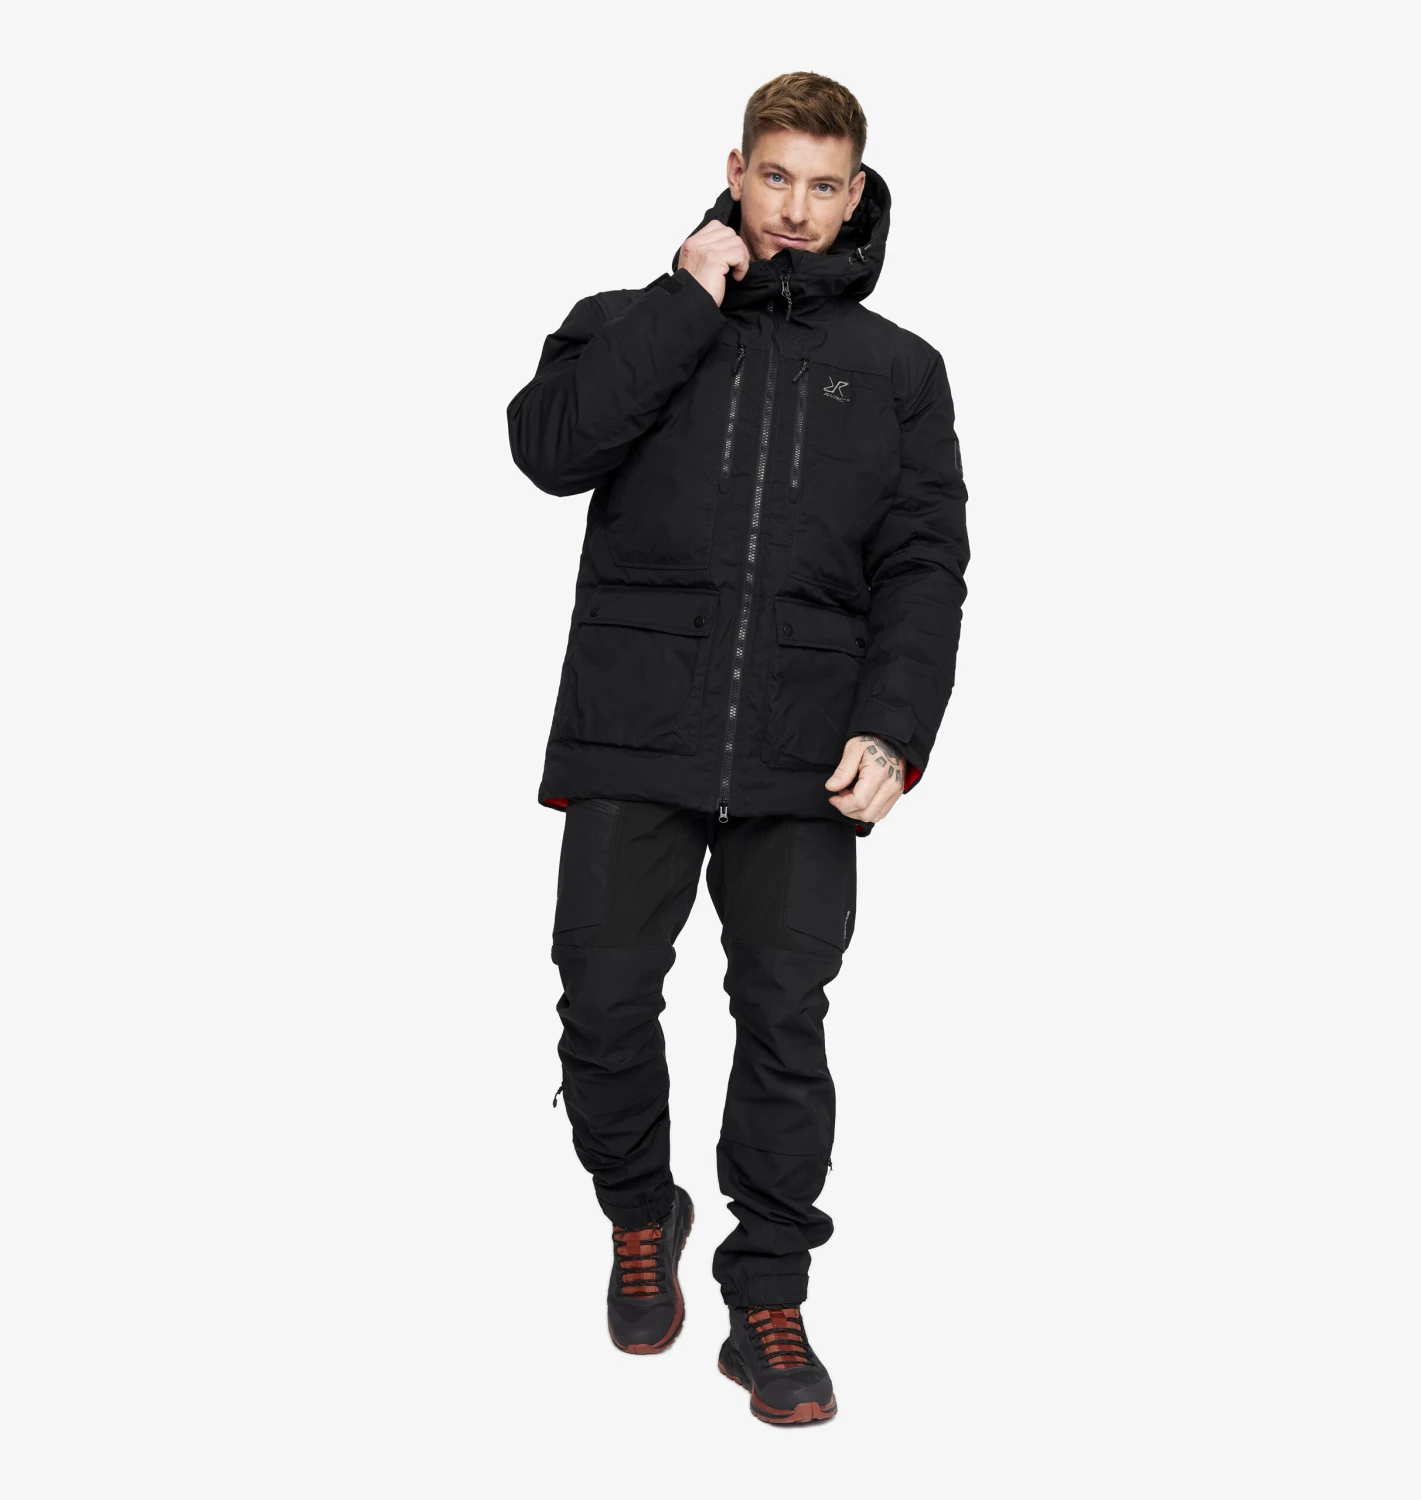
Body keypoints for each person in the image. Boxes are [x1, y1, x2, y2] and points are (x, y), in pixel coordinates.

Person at [506, 70, 970, 1426]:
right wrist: (682, 297)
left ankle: (768, 1290)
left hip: (803, 747)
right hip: (636, 727)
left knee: (783, 1019)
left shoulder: (899, 371)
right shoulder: (628, 319)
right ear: (734, 171)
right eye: (776, 178)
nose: (797, 209)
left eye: (824, 186)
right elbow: (550, 449)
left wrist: (895, 728)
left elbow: (925, 565)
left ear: (855, 192)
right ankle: (637, 1209)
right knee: (600, 999)